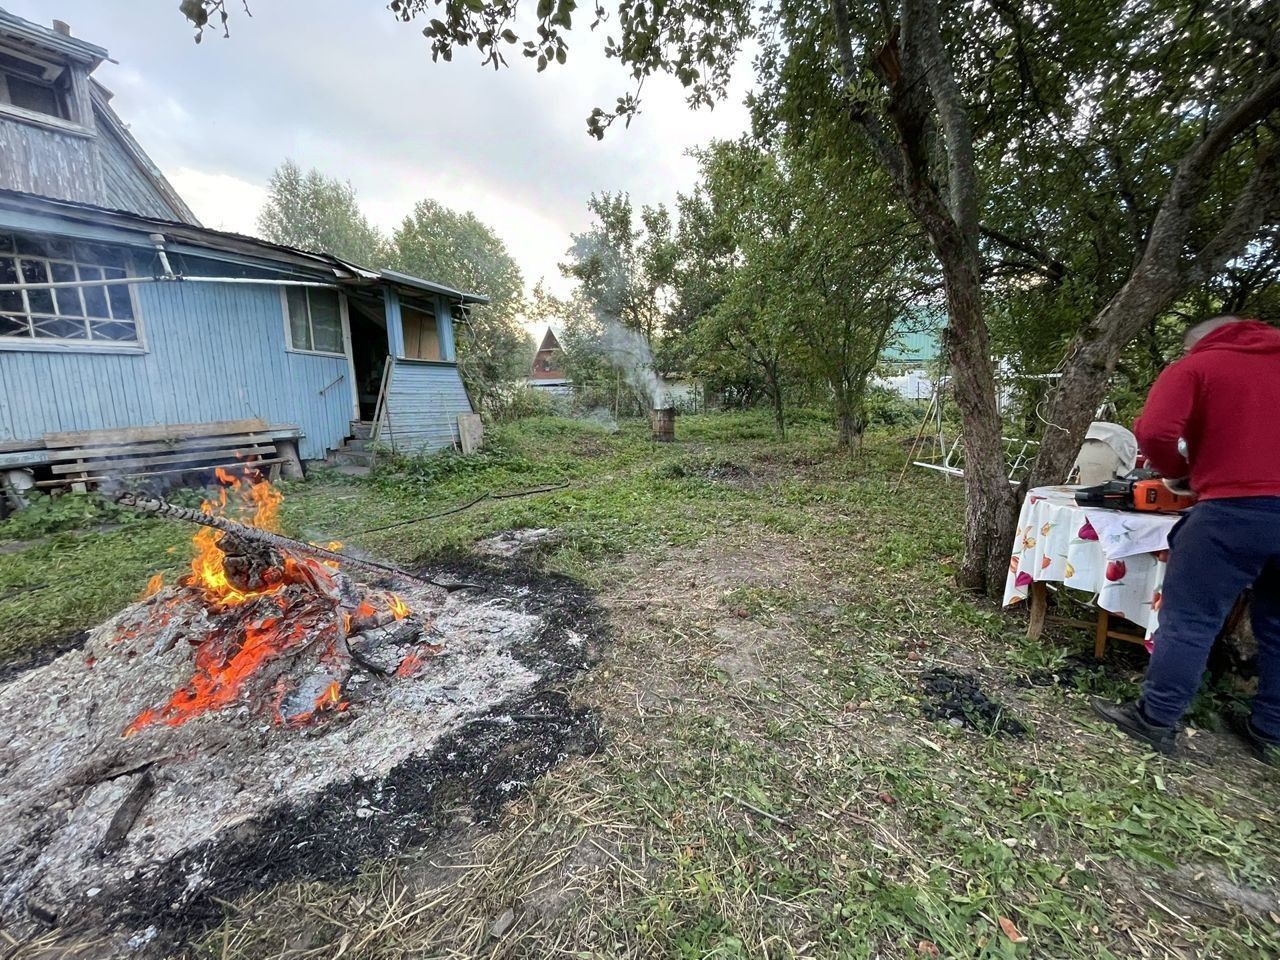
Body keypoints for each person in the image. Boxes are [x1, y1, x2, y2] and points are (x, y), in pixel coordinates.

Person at [1093, 315, 1280, 763]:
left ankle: (1156, 719)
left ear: (1197, 342)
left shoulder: (1199, 366)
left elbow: (1156, 431)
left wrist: (1178, 475)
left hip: (1234, 510)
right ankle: (1269, 729)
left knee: (1191, 619)